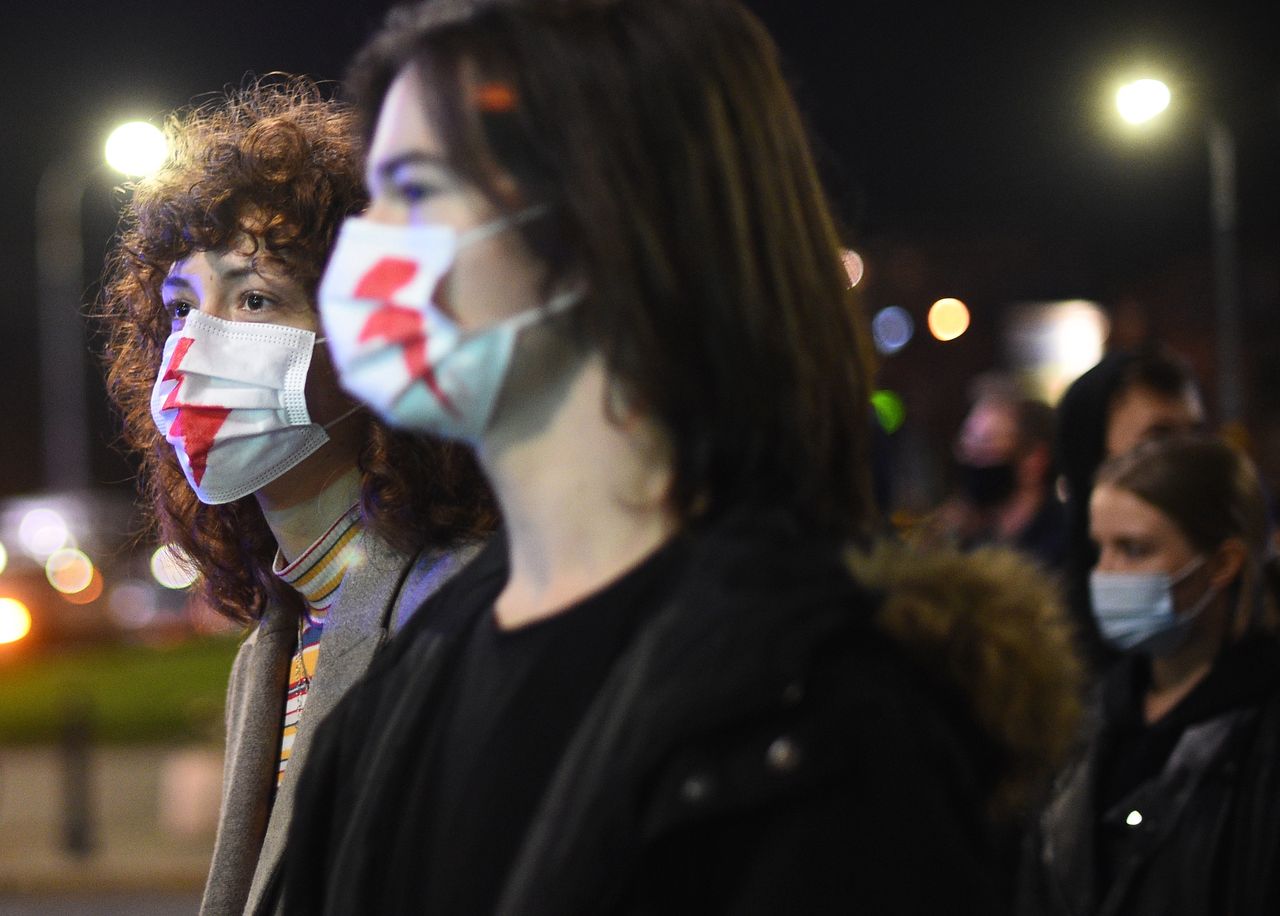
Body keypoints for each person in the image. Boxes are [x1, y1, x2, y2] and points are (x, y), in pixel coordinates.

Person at [266, 1, 1081, 912]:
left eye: (414, 189)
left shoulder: (822, 722)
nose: (364, 246)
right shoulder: (402, 688)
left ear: (609, 219)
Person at [99, 77, 494, 916]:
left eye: (254, 298)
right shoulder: (273, 645)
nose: (193, 346)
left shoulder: (466, 615)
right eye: (178, 307)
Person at [1018, 435, 1280, 915]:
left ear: (1222, 563)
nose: (1108, 574)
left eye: (1135, 550)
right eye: (1101, 549)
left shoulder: (1260, 732)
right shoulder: (1088, 714)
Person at [1056, 345, 1205, 673]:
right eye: (1157, 440)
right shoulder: (1043, 636)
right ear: (1092, 455)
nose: (1188, 459)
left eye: (1195, 436)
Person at [917, 377, 1065, 569]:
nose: (969, 457)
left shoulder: (1064, 544)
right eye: (966, 444)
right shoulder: (963, 538)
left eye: (985, 444)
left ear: (1034, 460)